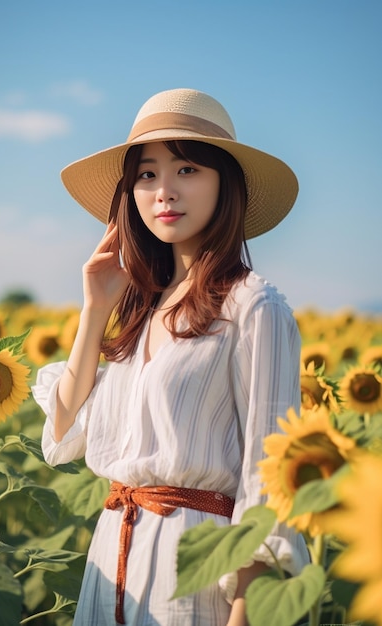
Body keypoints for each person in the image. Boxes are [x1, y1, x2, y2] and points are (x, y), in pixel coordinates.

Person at [32, 88, 309, 626]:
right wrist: (94, 310)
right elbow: (62, 431)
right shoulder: (140, 310)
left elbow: (268, 481)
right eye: (147, 174)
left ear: (223, 184)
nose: (164, 191)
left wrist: (245, 615)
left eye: (186, 170)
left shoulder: (254, 306)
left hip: (194, 571)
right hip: (110, 561)